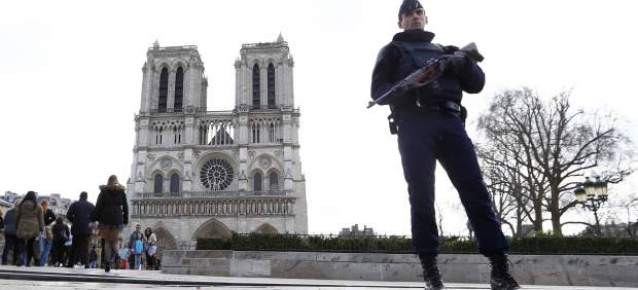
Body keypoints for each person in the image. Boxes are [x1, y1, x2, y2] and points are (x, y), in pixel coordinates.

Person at [370, 1, 520, 289]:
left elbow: (477, 84)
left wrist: (461, 62)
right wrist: (411, 84)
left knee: (476, 192)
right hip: (414, 124)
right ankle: (430, 271)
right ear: (399, 21)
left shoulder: (447, 51)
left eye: (418, 13)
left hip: (451, 122)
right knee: (422, 196)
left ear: (425, 17)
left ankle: (499, 269)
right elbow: (378, 94)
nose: (414, 18)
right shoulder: (391, 52)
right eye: (408, 15)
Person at [91, 175, 128, 272]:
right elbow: (125, 207)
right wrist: (125, 220)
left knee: (107, 241)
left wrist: (94, 218)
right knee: (115, 241)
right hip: (117, 219)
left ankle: (107, 262)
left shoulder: (103, 192)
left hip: (105, 219)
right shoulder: (121, 191)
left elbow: (98, 206)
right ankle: (117, 255)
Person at [66, 191, 95, 268]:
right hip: (87, 229)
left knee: (74, 246)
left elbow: (68, 215)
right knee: (85, 247)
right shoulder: (91, 205)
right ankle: (86, 263)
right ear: (86, 197)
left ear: (80, 196)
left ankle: (70, 263)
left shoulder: (74, 204)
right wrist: (89, 222)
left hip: (76, 228)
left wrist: (74, 221)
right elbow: (95, 216)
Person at [15, 191, 44, 266]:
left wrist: (16, 225)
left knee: (21, 243)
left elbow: (17, 216)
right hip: (34, 227)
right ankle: (28, 262)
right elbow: (40, 219)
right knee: (31, 245)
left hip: (22, 225)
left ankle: (20, 256)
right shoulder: (38, 206)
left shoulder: (20, 205)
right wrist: (41, 228)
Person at [39, 200, 55, 266]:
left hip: (40, 229)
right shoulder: (49, 211)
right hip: (47, 230)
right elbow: (54, 217)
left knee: (41, 248)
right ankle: (42, 262)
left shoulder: (39, 210)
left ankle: (40, 261)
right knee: (47, 248)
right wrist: (48, 222)